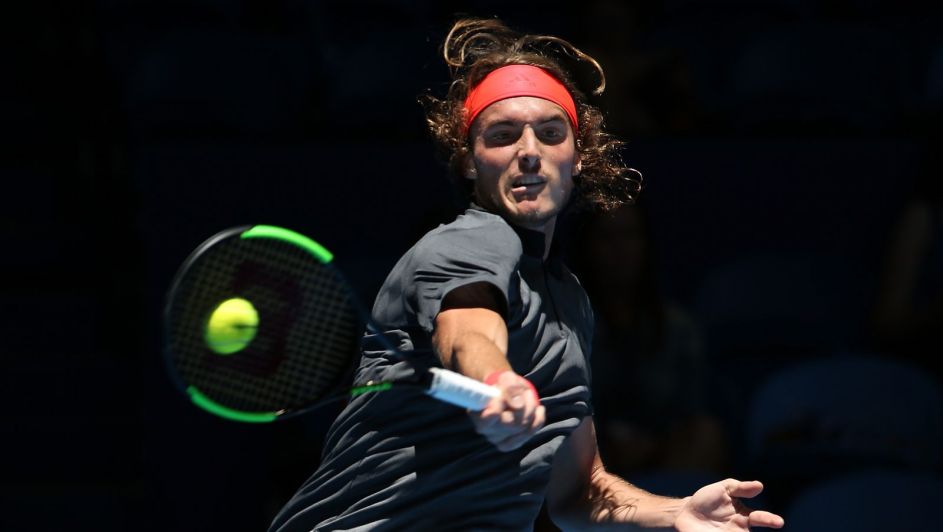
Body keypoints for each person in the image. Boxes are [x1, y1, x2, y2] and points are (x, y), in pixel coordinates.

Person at [269, 17, 784, 531]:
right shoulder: (467, 241)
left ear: (577, 156)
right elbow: (466, 329)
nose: (530, 152)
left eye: (550, 133)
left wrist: (677, 511)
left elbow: (578, 494)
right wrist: (494, 380)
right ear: (471, 162)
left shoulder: (571, 301)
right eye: (503, 135)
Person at [570, 202, 728, 477]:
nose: (620, 249)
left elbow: (692, 407)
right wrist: (609, 438)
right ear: (587, 246)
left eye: (630, 235)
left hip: (665, 454)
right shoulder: (566, 326)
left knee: (707, 435)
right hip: (594, 455)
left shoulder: (677, 327)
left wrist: (653, 445)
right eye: (607, 237)